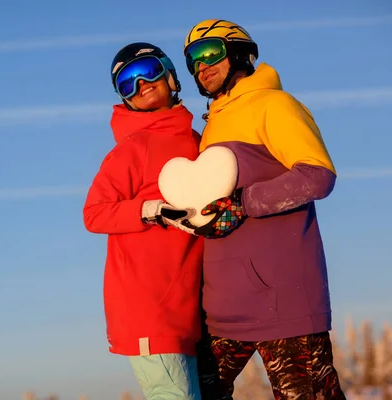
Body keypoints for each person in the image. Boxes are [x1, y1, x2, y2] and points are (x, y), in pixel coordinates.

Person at [170, 19, 347, 399]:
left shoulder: (274, 104)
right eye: (191, 58)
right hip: (221, 307)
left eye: (209, 51)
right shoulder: (213, 122)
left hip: (283, 300)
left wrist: (244, 202)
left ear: (239, 53)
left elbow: (317, 176)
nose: (200, 64)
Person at [82, 42, 205, 400]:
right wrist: (150, 210)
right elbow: (94, 212)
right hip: (149, 308)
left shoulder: (197, 141)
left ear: (170, 74)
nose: (141, 84)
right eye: (127, 82)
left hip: (189, 305)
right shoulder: (133, 148)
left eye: (148, 71)